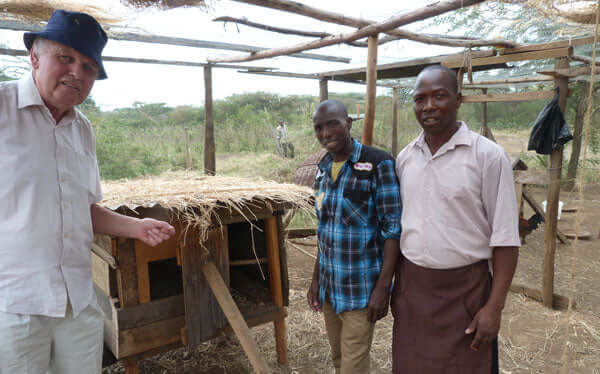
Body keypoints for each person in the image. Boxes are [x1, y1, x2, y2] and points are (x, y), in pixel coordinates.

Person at [0, 10, 175, 374]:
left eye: (89, 66)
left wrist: (135, 227)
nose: (77, 73)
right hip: (13, 304)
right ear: (34, 56)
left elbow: (83, 209)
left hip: (77, 302)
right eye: (65, 58)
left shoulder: (83, 129)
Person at [392, 65, 520, 373]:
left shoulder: (487, 156)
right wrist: (395, 288)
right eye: (420, 99)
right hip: (413, 291)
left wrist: (494, 307)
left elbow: (505, 239)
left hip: (467, 293)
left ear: (458, 99)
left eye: (439, 96)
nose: (429, 106)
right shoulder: (405, 158)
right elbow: (400, 229)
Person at [308, 100, 401, 373]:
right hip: (330, 288)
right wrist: (316, 281)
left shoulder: (378, 163)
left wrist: (383, 288)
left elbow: (393, 230)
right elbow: (325, 230)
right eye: (318, 127)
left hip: (361, 291)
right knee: (339, 360)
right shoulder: (323, 168)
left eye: (332, 124)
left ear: (348, 123)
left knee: (353, 366)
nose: (325, 133)